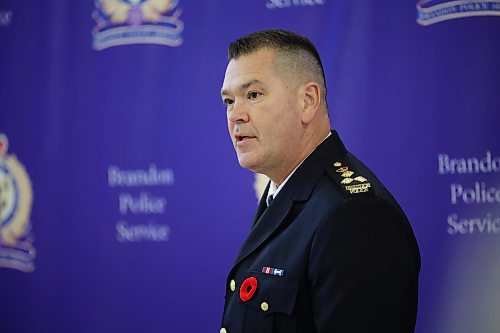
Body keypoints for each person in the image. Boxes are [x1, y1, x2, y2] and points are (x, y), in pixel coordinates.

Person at [219, 29, 420, 333]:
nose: (236, 115)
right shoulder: (283, 194)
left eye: (254, 95)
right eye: (229, 101)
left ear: (308, 101)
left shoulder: (355, 216)